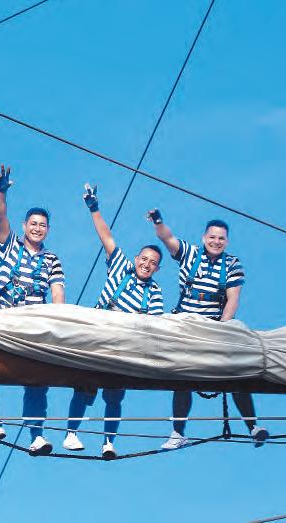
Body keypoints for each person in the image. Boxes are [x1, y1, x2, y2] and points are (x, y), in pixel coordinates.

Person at [148, 209, 269, 449]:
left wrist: (222, 331)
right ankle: (178, 433)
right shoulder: (190, 253)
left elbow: (233, 299)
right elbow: (167, 238)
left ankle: (253, 427)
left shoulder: (232, 264)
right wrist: (159, 222)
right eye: (212, 237)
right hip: (185, 324)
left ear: (227, 242)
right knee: (182, 375)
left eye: (221, 238)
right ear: (204, 238)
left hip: (214, 326)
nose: (216, 242)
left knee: (237, 370)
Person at [64, 184, 164, 460]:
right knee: (85, 387)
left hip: (124, 343)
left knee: (114, 394)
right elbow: (106, 236)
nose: (146, 264)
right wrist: (94, 207)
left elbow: (156, 324)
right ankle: (71, 433)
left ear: (157, 269)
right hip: (98, 333)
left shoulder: (154, 293)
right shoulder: (121, 266)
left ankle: (109, 441)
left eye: (152, 263)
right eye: (144, 259)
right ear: (136, 259)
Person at [0, 165, 65, 455]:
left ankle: (36, 435)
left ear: (47, 230)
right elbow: (0, 217)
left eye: (42, 225)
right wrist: (1, 192)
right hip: (3, 316)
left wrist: (59, 323)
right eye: (33, 223)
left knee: (37, 379)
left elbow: (58, 294)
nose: (37, 228)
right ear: (24, 226)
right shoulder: (10, 245)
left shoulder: (52, 260)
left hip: (33, 321)